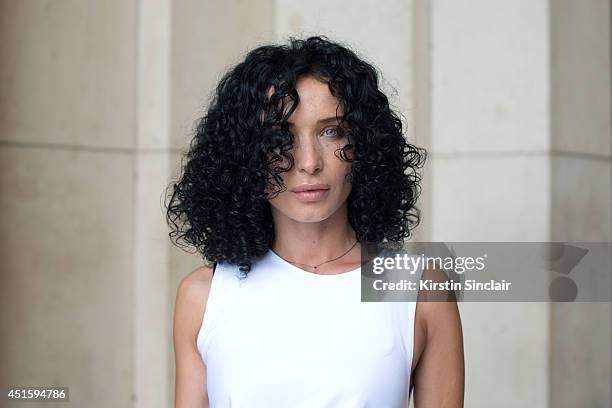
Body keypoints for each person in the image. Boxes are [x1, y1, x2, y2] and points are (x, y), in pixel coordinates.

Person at [166, 35, 464, 407]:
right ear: (244, 156)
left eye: (331, 131)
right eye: (280, 137)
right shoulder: (203, 296)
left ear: (366, 146)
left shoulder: (421, 289)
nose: (309, 162)